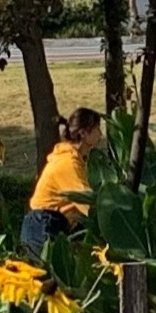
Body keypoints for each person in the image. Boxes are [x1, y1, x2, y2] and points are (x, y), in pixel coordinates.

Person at [24, 108, 102, 259]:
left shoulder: (73, 159)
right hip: (43, 225)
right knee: (48, 278)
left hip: (45, 223)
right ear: (84, 134)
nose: (101, 134)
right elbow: (86, 202)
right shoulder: (68, 163)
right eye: (97, 129)